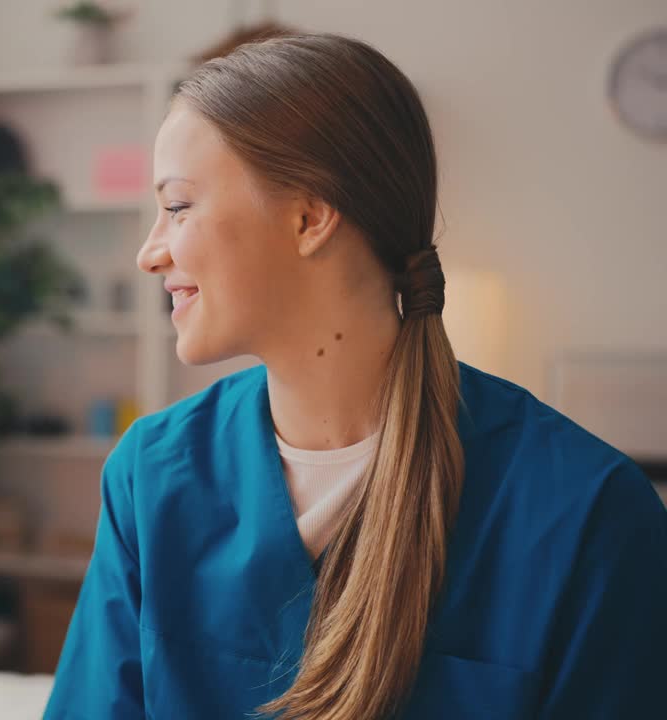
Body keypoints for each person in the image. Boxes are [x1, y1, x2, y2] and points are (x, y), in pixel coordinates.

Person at [45, 33, 667, 719]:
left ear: (309, 217)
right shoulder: (152, 476)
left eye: (180, 205)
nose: (149, 253)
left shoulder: (590, 517)